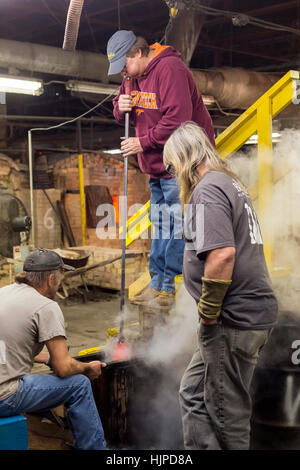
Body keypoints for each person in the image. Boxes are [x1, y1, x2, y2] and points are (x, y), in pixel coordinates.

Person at [163, 121, 278, 450]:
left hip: (231, 320)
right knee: (193, 393)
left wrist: (209, 313)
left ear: (185, 159)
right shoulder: (230, 183)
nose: (173, 175)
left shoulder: (208, 188)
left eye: (173, 166)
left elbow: (223, 255)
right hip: (241, 316)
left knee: (228, 414)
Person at [106, 30, 215, 307]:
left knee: (180, 223)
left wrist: (142, 142)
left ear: (139, 53)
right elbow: (120, 112)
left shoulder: (170, 69)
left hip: (183, 161)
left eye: (124, 65)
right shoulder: (132, 77)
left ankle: (172, 284)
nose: (123, 74)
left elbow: (178, 119)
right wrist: (121, 106)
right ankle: (159, 284)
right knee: (161, 223)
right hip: (157, 164)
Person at [0, 248, 107, 450]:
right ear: (51, 279)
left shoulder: (5, 292)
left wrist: (49, 358)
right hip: (4, 396)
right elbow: (64, 368)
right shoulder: (46, 306)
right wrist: (87, 367)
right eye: (60, 276)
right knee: (79, 385)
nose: (60, 282)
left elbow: (10, 344)